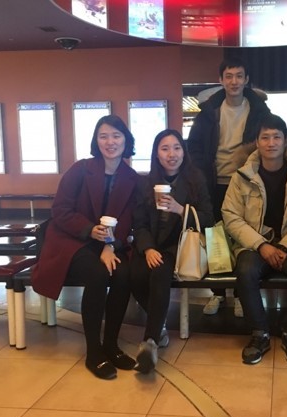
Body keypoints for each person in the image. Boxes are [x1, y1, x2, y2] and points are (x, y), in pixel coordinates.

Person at [32, 115, 140, 380]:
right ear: (96, 141)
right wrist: (90, 230)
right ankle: (94, 351)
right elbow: (60, 210)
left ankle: (111, 345)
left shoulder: (131, 177)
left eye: (116, 136)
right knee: (97, 273)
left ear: (126, 140)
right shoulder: (81, 169)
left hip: (108, 243)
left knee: (123, 274)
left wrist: (110, 245)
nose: (110, 142)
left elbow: (127, 220)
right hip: (72, 239)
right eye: (104, 136)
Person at [222, 114, 287, 365]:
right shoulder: (242, 175)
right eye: (265, 137)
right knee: (245, 271)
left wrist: (285, 245)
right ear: (257, 142)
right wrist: (261, 245)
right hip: (255, 242)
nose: (271, 143)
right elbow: (231, 215)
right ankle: (259, 333)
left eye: (276, 137)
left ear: (285, 140)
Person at [188, 56, 271, 317]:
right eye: (229, 76)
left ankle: (241, 292)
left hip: (246, 184)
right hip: (215, 183)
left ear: (246, 80)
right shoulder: (209, 112)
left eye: (239, 76)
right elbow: (194, 147)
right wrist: (201, 175)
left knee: (244, 237)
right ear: (221, 80)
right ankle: (218, 292)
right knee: (216, 237)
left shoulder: (259, 111)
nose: (234, 81)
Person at [131, 129, 214, 374]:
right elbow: (139, 223)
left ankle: (150, 341)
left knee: (160, 273)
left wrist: (180, 209)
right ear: (156, 154)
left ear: (184, 152)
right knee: (133, 276)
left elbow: (208, 218)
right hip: (151, 244)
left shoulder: (195, 179)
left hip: (178, 245)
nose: (171, 154)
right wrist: (147, 248)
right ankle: (160, 326)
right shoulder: (146, 183)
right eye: (165, 148)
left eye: (177, 148)